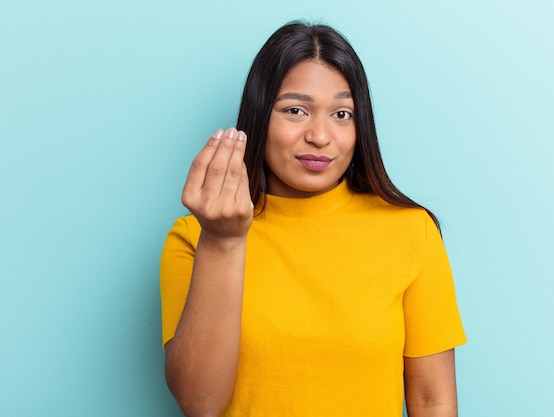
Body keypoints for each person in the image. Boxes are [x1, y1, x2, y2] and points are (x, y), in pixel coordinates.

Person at [160, 21, 466, 417]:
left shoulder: (411, 231)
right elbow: (200, 404)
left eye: (342, 113)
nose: (320, 136)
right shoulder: (194, 238)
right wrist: (223, 242)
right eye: (296, 110)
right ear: (258, 116)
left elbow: (433, 400)